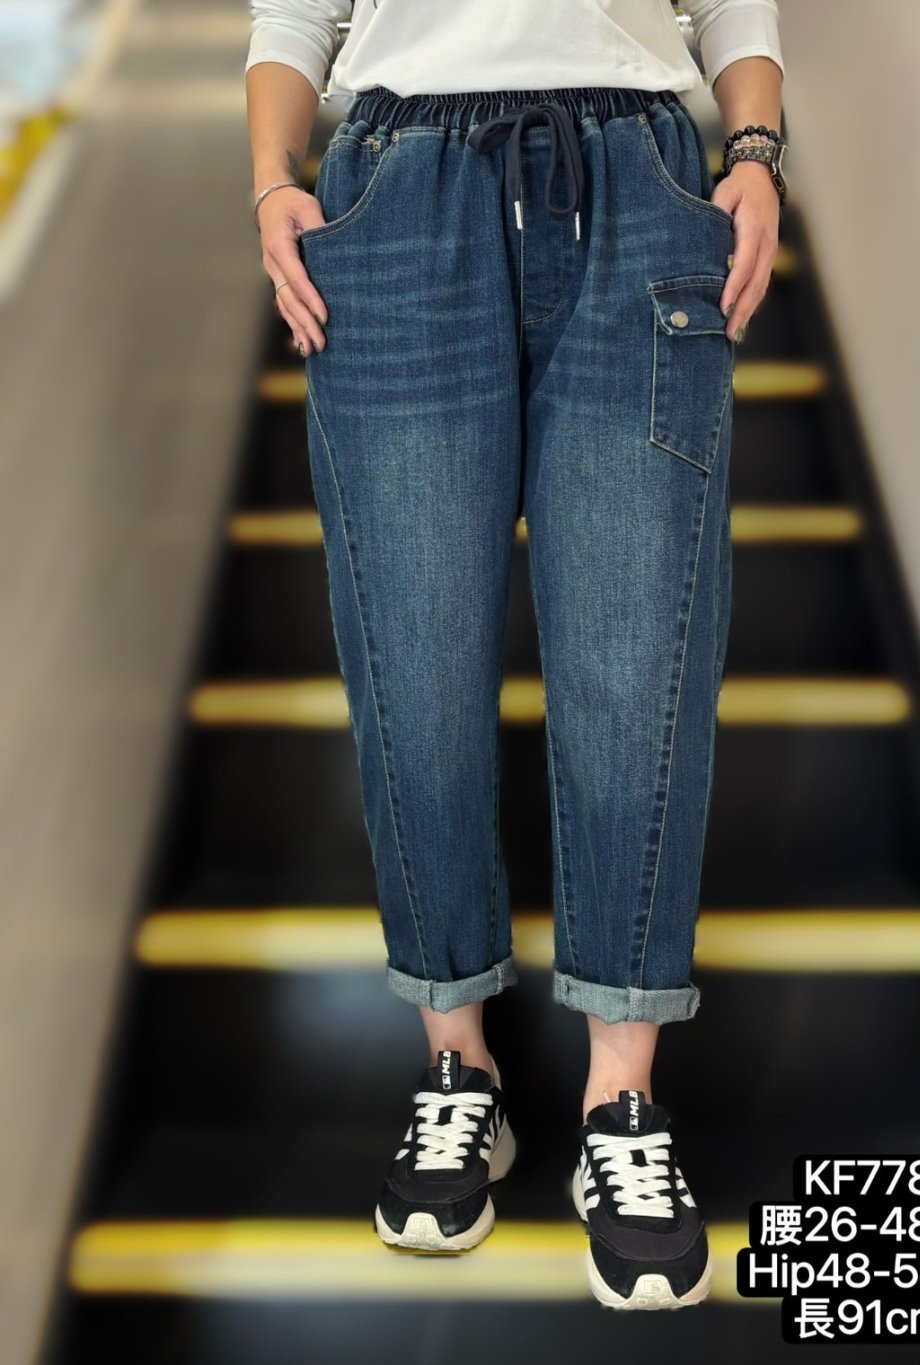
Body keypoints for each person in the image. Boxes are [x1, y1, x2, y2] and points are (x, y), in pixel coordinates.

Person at [245, 0, 785, 1311]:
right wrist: (270, 180)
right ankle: (459, 1069)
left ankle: (621, 1102)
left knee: (636, 663)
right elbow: (295, 12)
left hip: (640, 176)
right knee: (415, 665)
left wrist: (757, 152)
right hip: (398, 190)